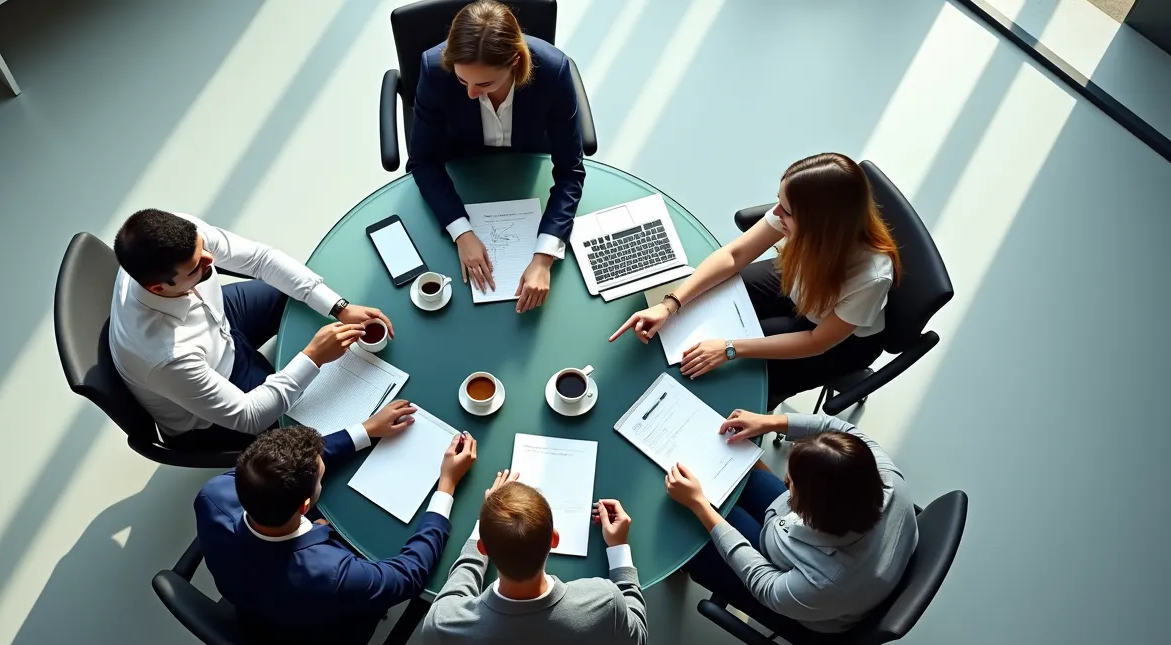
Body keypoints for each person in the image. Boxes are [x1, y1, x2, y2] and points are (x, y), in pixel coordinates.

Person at [609, 153, 901, 410]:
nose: (774, 214)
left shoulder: (870, 276)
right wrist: (670, 304)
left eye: (785, 211)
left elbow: (816, 341)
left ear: (820, 226)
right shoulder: (806, 223)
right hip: (798, 284)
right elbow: (735, 255)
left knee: (742, 374)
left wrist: (730, 348)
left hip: (833, 339)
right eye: (779, 201)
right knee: (712, 299)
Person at [109, 208, 396, 453]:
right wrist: (314, 357)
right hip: (212, 408)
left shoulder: (178, 238)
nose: (212, 259)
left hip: (220, 320)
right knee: (317, 420)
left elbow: (260, 259)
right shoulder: (166, 357)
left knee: (297, 295)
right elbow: (250, 416)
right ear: (158, 288)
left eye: (204, 248)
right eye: (200, 266)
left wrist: (339, 307)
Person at [195, 425, 479, 645]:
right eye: (319, 476)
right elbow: (410, 575)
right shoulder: (335, 574)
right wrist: (447, 485)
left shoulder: (214, 493)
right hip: (317, 639)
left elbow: (277, 471)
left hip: (251, 599)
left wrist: (364, 431)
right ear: (305, 505)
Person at [664, 410, 918, 632]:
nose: (784, 479)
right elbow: (840, 430)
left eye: (791, 483)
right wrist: (771, 422)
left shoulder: (823, 583)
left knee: (691, 530)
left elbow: (763, 583)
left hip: (800, 595)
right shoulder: (887, 478)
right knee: (738, 473)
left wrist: (699, 505)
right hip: (811, 546)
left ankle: (684, 563)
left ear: (810, 511)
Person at [408, 0, 585, 314]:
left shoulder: (554, 70)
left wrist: (544, 257)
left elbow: (571, 170)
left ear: (515, 61)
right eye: (463, 81)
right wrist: (461, 232)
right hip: (462, 170)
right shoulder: (434, 68)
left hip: (526, 169)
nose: (471, 94)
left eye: (485, 83)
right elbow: (422, 160)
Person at [422, 472, 648, 645]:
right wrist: (619, 548)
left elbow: (456, 590)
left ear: (483, 548)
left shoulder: (444, 623)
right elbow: (634, 640)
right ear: (554, 540)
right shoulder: (603, 601)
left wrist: (491, 520)